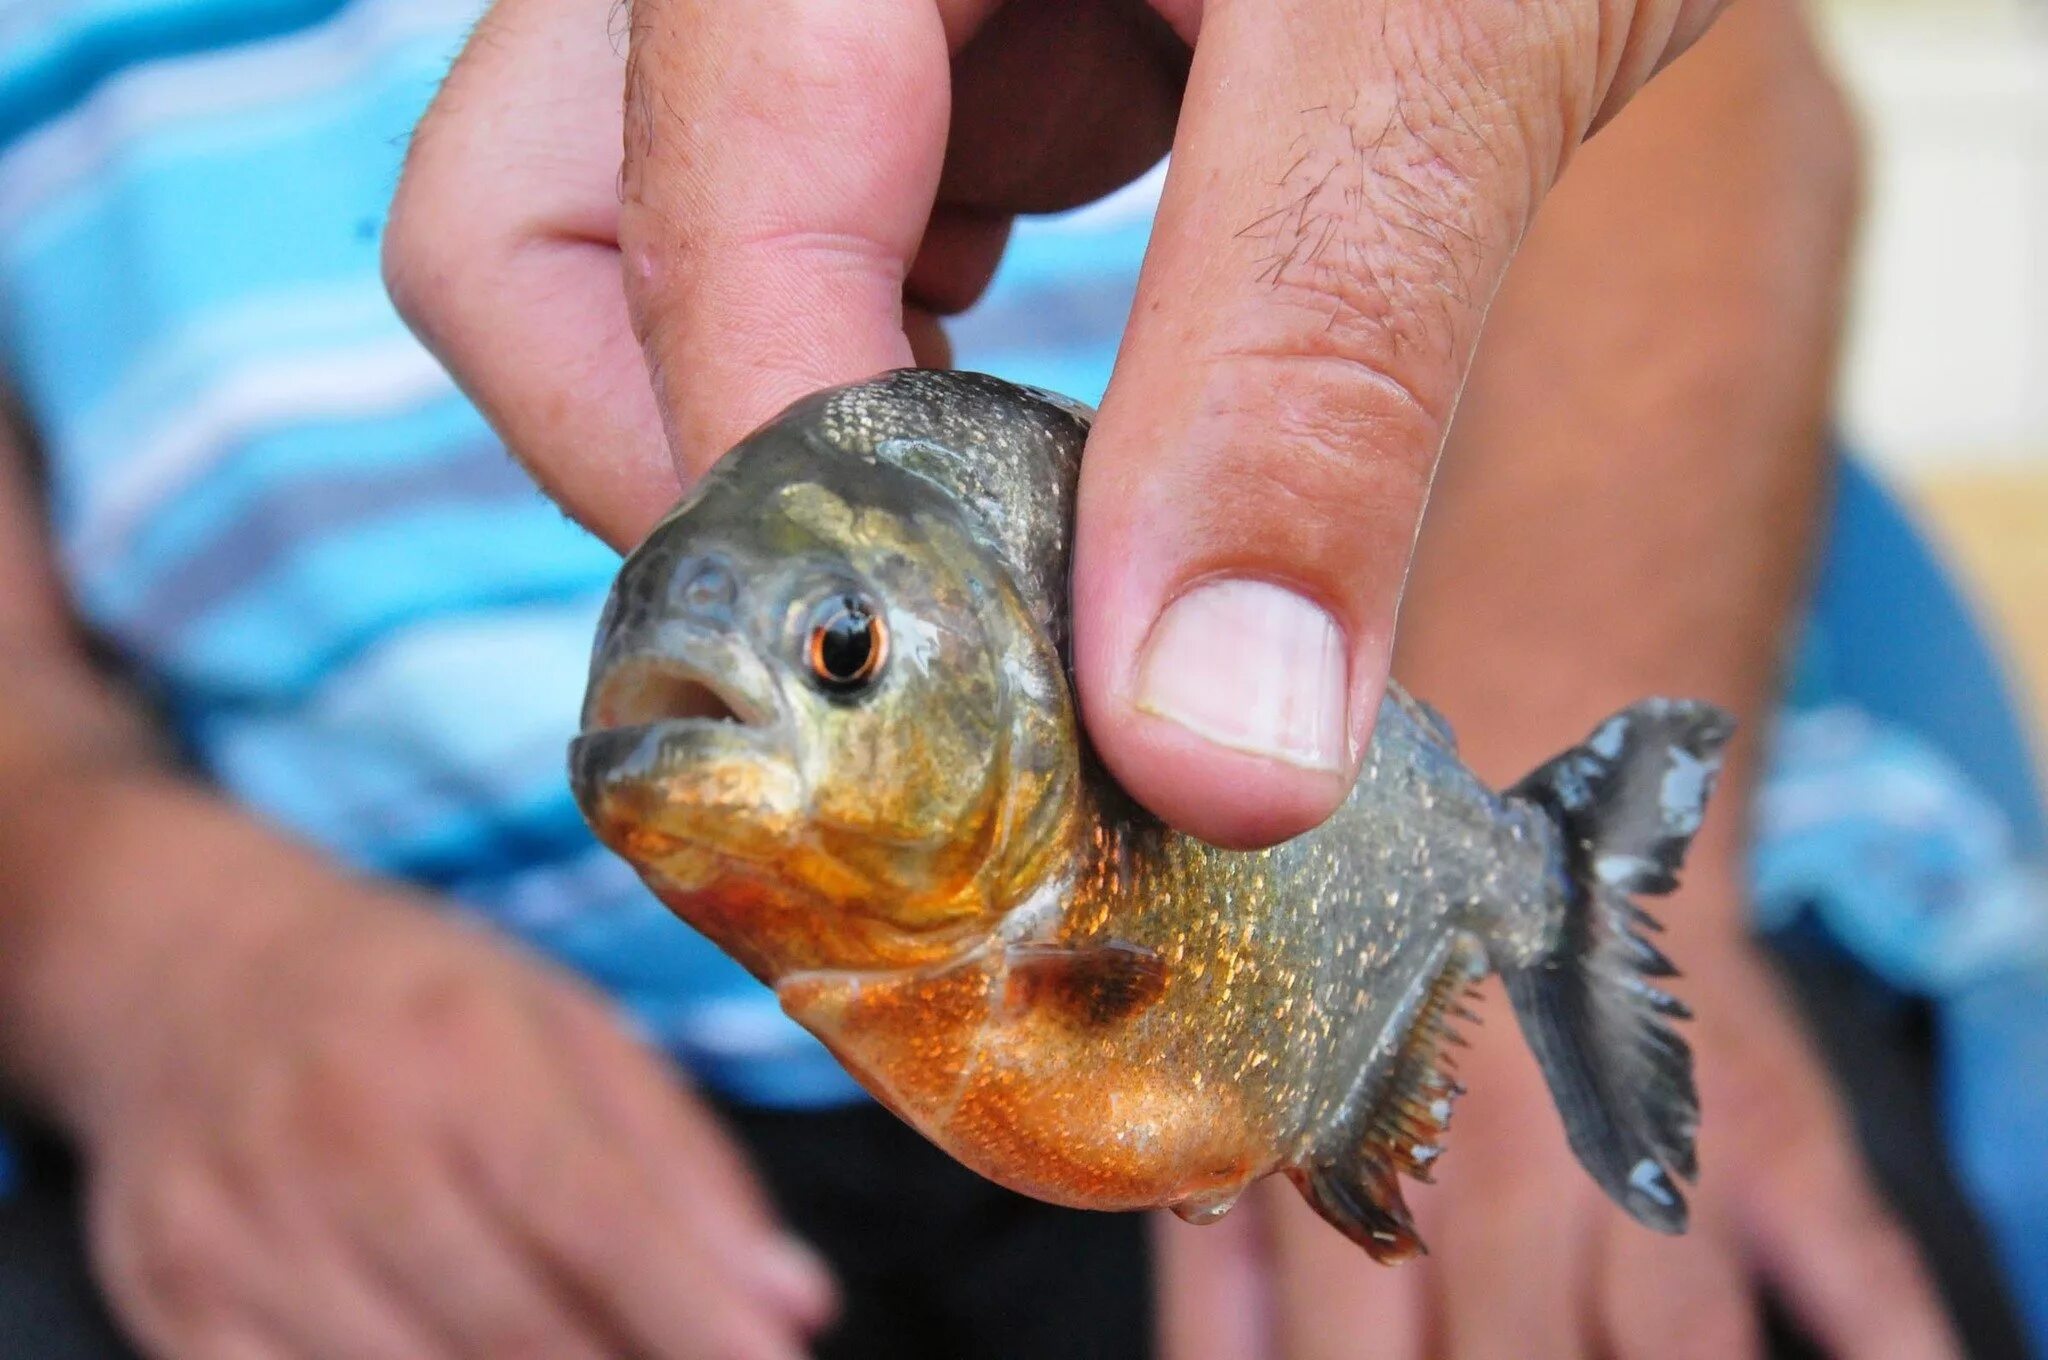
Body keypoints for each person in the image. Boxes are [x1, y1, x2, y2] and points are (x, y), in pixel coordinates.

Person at [0, 0, 2001, 1356]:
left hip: (1352, 910)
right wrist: (135, 938)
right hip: (340, 1049)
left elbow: (1694, 75)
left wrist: (1427, 904)